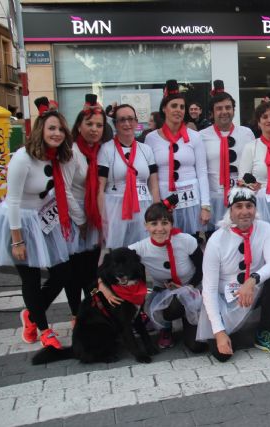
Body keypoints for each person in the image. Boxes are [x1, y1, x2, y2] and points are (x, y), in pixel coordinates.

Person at [0, 103, 85, 349]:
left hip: (44, 221)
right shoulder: (23, 158)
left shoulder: (60, 157)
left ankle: (31, 313)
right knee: (31, 279)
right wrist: (17, 240)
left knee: (62, 272)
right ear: (40, 130)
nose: (57, 133)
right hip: (17, 223)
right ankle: (44, 329)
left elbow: (68, 188)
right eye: (51, 128)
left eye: (60, 129)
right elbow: (14, 200)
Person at [197, 186, 270, 360]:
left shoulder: (265, 228)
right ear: (230, 211)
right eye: (239, 206)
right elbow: (208, 289)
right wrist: (219, 333)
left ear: (255, 209)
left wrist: (251, 281)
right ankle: (231, 329)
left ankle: (263, 333)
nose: (245, 211)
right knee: (222, 356)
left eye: (249, 206)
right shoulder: (216, 240)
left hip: (252, 290)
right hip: (226, 298)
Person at [123, 200, 205, 351]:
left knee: (196, 346)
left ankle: (190, 320)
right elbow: (114, 260)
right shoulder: (142, 247)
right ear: (146, 226)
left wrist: (188, 288)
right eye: (154, 224)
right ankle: (165, 327)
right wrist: (102, 285)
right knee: (172, 307)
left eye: (165, 223)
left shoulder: (186, 240)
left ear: (171, 224)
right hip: (165, 294)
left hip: (192, 288)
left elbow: (203, 269)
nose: (159, 229)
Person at [145, 80, 210, 236]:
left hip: (191, 201)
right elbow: (150, 175)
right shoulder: (151, 138)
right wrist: (155, 203)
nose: (179, 110)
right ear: (164, 109)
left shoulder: (195, 137)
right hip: (164, 199)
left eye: (182, 107)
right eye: (174, 106)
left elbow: (202, 171)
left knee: (191, 244)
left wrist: (205, 206)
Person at [68, 94, 110, 321]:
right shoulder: (72, 152)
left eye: (99, 125)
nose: (94, 129)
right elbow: (64, 191)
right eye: (89, 124)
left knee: (93, 270)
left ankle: (91, 311)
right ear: (79, 126)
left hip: (94, 219)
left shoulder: (101, 151)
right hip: (76, 220)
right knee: (75, 272)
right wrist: (81, 221)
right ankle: (75, 313)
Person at [97, 104, 160, 248]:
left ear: (136, 122)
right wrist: (103, 218)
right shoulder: (106, 150)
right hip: (115, 209)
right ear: (115, 124)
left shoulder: (146, 150)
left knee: (142, 251)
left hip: (143, 207)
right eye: (122, 120)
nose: (127, 124)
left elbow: (154, 185)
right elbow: (100, 188)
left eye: (130, 119)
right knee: (118, 254)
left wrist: (156, 212)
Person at [200, 91, 255, 230]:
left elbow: (254, 165)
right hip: (215, 199)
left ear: (233, 110)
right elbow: (200, 171)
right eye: (219, 108)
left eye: (228, 107)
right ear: (212, 113)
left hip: (241, 198)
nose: (224, 111)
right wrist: (204, 205)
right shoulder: (201, 136)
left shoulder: (247, 133)